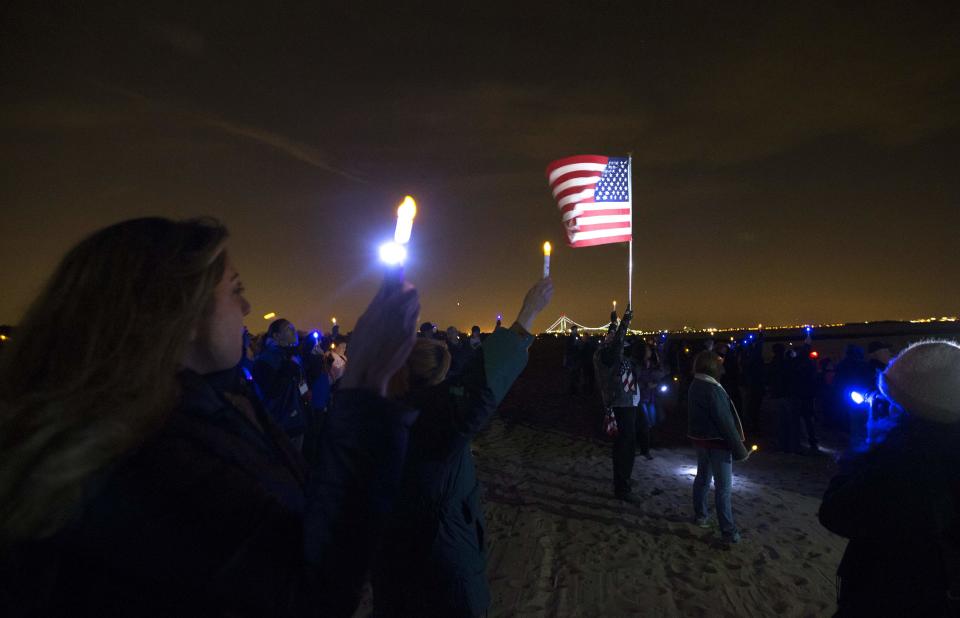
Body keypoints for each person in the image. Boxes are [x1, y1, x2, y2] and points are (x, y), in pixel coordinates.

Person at [0, 217, 421, 617]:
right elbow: (309, 593)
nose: (248, 307)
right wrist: (365, 381)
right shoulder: (131, 460)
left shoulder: (204, 403)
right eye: (235, 290)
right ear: (176, 315)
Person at [373, 277, 553, 618]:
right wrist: (528, 313)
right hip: (439, 572)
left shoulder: (370, 415)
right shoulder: (427, 420)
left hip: (393, 571)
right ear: (434, 382)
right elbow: (481, 387)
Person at [819, 341, 960, 616]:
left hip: (889, 593)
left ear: (911, 409)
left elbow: (836, 512)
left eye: (889, 398)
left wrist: (866, 444)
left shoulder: (903, 462)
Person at [687, 350, 750, 543]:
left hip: (701, 440)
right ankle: (728, 530)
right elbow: (725, 422)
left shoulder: (695, 384)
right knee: (723, 487)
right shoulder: (712, 389)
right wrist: (740, 450)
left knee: (703, 478)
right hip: (717, 442)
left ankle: (701, 516)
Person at [595, 307, 641, 502]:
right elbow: (616, 344)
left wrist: (614, 323)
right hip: (621, 406)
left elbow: (614, 341)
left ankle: (624, 480)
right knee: (625, 446)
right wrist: (625, 322)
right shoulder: (605, 356)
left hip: (627, 403)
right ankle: (622, 486)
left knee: (626, 445)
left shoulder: (608, 352)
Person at [253, 318, 309, 448]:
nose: (294, 331)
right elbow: (272, 392)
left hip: (297, 421)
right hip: (280, 425)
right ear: (276, 336)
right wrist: (289, 367)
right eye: (289, 329)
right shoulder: (265, 360)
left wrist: (305, 393)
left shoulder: (292, 356)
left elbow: (299, 380)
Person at [632, 341, 667, 460]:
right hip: (640, 398)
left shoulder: (652, 364)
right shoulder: (637, 366)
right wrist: (647, 385)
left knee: (651, 422)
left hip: (650, 398)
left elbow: (662, 372)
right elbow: (634, 382)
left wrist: (657, 354)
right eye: (648, 350)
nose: (650, 351)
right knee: (645, 423)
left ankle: (645, 446)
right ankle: (645, 450)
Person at [563, 324, 584, 394]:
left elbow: (581, 346)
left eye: (576, 329)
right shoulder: (570, 338)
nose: (576, 330)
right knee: (572, 374)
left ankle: (575, 388)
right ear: (572, 330)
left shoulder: (577, 337)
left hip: (576, 358)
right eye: (575, 329)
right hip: (572, 358)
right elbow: (567, 348)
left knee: (576, 374)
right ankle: (572, 388)